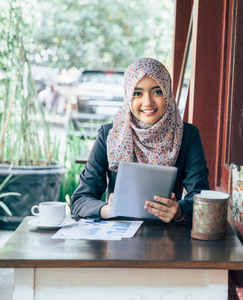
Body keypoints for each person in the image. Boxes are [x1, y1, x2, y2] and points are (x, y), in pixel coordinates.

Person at [71, 58, 210, 223]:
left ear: (167, 93)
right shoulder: (110, 134)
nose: (148, 102)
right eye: (137, 93)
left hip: (167, 237)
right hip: (117, 238)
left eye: (157, 91)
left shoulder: (187, 135)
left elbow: (201, 197)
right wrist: (106, 210)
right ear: (128, 96)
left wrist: (179, 211)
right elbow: (80, 200)